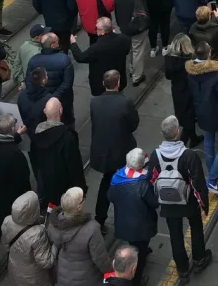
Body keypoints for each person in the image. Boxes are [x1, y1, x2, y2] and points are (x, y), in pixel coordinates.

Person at [147, 115, 212, 286]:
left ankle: (182, 268)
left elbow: (151, 179)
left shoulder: (156, 155)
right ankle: (199, 258)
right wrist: (204, 205)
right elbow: (198, 183)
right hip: (188, 201)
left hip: (168, 202)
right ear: (177, 132)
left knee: (175, 235)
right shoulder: (189, 155)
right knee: (196, 227)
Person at [0, 113, 32, 273]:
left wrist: (17, 136)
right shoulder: (15, 155)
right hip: (9, 202)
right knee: (14, 234)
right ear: (11, 129)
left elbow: (2, 146)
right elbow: (23, 180)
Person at [88, 69, 139, 229]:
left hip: (103, 151)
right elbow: (133, 125)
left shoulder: (94, 102)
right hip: (122, 151)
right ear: (118, 83)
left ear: (104, 84)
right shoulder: (125, 102)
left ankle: (100, 218)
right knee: (127, 182)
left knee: (106, 182)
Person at [186, 41, 218, 194]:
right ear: (208, 54)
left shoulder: (191, 72)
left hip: (201, 113)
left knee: (209, 143)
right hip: (217, 115)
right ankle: (212, 179)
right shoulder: (216, 73)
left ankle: (212, 171)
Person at [107, 158, 158, 285]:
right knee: (139, 256)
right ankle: (137, 280)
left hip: (124, 222)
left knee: (134, 244)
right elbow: (154, 203)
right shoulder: (143, 183)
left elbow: (110, 196)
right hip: (142, 224)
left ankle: (142, 251)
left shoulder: (116, 179)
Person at [47, 186, 111, 285]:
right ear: (79, 206)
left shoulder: (53, 225)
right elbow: (100, 258)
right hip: (87, 278)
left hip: (63, 276)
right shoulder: (91, 228)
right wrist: (110, 272)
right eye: (83, 198)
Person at [34, 98, 87, 209]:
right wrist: (81, 189)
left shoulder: (37, 136)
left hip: (48, 188)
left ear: (45, 111)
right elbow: (74, 167)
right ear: (60, 111)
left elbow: (36, 163)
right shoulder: (68, 137)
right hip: (66, 189)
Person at [0, 191, 56, 286]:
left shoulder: (7, 221)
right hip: (34, 278)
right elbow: (46, 262)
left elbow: (6, 246)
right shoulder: (37, 233)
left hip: (14, 269)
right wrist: (55, 246)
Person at [70, 17, 131, 96]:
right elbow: (126, 51)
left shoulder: (95, 48)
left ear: (103, 32)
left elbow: (80, 57)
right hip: (118, 79)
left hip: (102, 85)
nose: (96, 30)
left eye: (97, 29)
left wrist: (73, 44)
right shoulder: (124, 39)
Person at [26, 33, 74, 123]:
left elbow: (29, 81)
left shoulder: (33, 60)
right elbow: (67, 84)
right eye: (57, 41)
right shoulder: (64, 59)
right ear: (52, 45)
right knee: (67, 123)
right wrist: (54, 98)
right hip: (62, 100)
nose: (59, 43)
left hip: (41, 101)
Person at [113, 0, 149, 86]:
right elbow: (143, 11)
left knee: (132, 50)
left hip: (124, 27)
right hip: (136, 27)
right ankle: (137, 76)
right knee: (138, 51)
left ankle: (132, 69)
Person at [163, 34, 201, 147]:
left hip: (177, 91)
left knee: (185, 117)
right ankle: (181, 145)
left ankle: (193, 138)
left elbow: (168, 76)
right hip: (189, 92)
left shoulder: (169, 59)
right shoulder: (190, 61)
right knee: (189, 120)